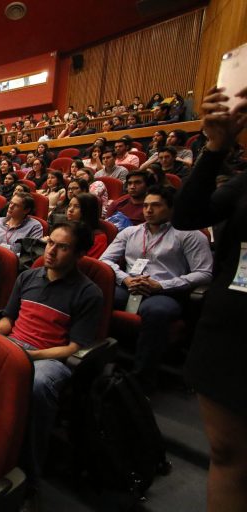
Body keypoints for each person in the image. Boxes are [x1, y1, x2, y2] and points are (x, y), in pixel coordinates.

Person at [172, 85, 247, 511]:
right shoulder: (244, 182)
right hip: (232, 327)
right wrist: (215, 147)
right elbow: (187, 215)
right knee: (227, 453)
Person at [0, 221, 102, 478]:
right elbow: (8, 319)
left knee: (38, 385)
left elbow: (73, 347)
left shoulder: (89, 293)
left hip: (50, 358)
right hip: (16, 344)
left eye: (62, 247)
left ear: (79, 254)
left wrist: (30, 356)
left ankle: (29, 472)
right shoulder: (27, 277)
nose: (51, 251)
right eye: (50, 243)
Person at [100, 186, 213, 390]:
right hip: (130, 286)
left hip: (166, 292)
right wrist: (125, 279)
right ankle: (95, 359)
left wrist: (161, 285)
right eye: (145, 206)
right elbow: (105, 260)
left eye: (156, 205)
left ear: (171, 208)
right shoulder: (130, 232)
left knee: (155, 311)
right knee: (97, 295)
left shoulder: (189, 235)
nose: (148, 210)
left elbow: (204, 272)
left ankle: (141, 379)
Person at [66, 193, 109, 258]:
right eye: (69, 206)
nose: (70, 210)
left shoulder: (98, 238)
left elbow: (86, 261)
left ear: (88, 210)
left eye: (77, 206)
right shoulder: (65, 228)